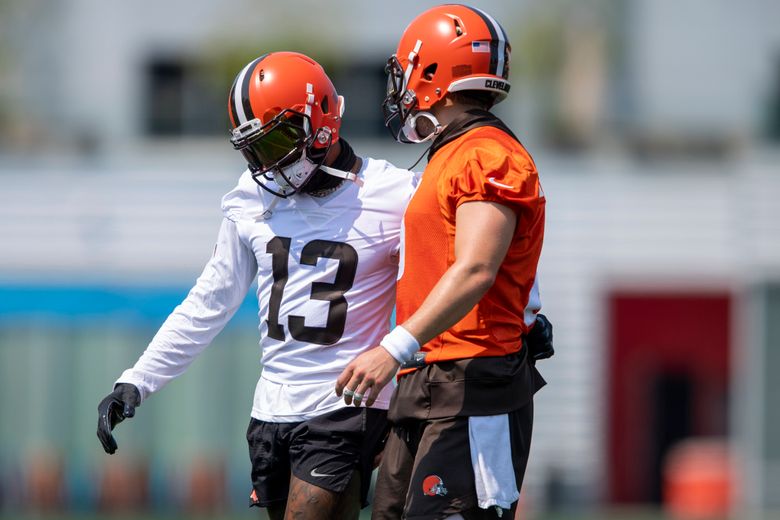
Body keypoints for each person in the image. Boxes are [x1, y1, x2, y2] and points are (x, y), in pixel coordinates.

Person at [96, 51, 419, 520]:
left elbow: (461, 264)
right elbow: (211, 300)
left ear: (321, 120)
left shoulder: (393, 194)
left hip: (344, 406)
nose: (270, 162)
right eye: (257, 148)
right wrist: (137, 381)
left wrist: (523, 308)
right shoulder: (250, 196)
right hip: (270, 408)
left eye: (280, 141)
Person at [335, 5, 552, 519]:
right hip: (427, 377)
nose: (402, 86)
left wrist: (393, 347)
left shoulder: (486, 155)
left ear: (432, 72)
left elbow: (477, 269)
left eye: (409, 71)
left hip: (473, 382)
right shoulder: (451, 152)